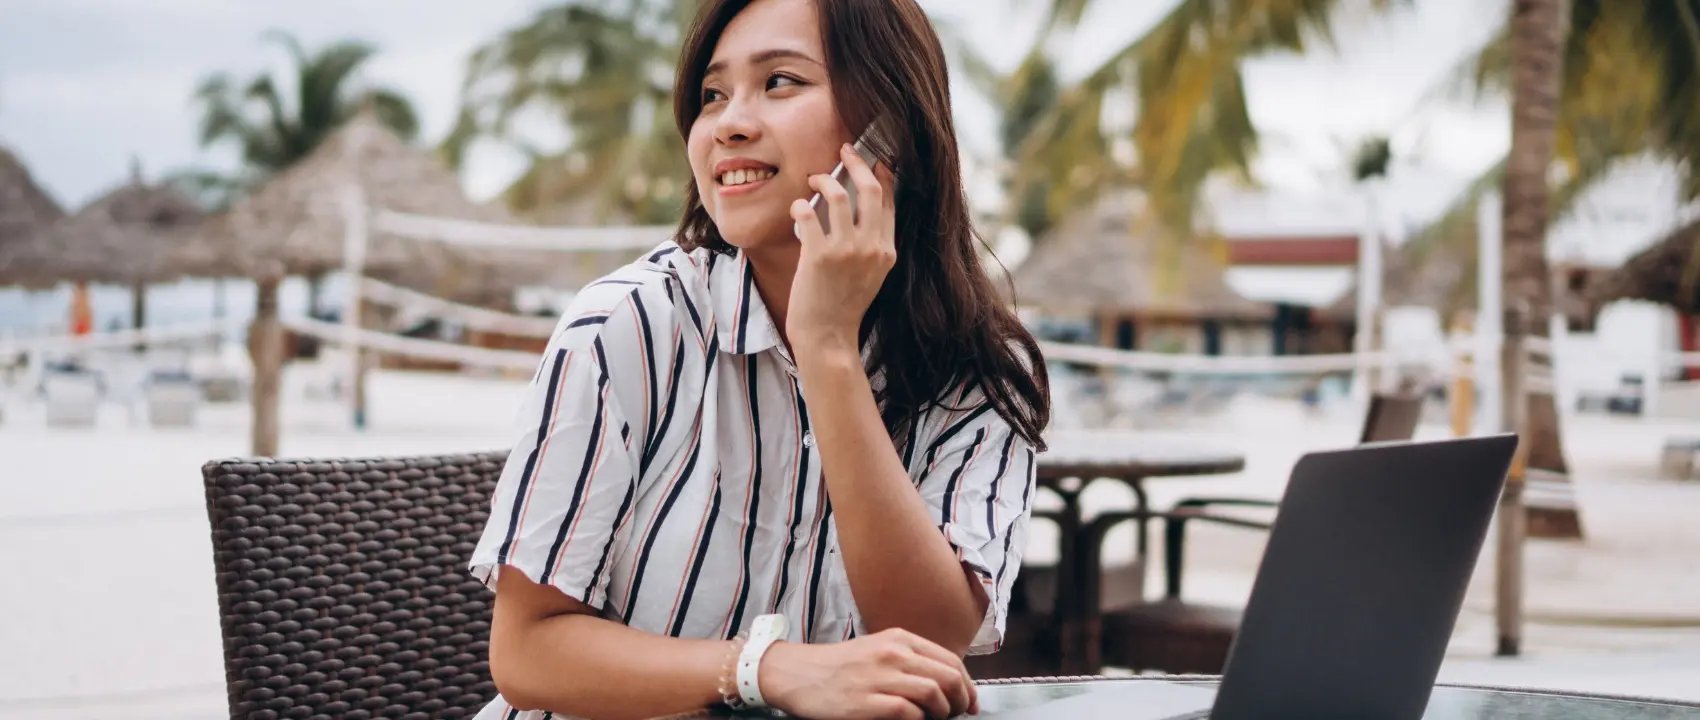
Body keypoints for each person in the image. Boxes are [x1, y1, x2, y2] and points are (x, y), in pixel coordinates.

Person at [468, 0, 1050, 717]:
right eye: (712, 95)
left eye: (780, 82)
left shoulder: (976, 380)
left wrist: (827, 347)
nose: (729, 124)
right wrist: (762, 670)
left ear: (890, 126)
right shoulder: (625, 328)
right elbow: (526, 652)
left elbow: (926, 641)